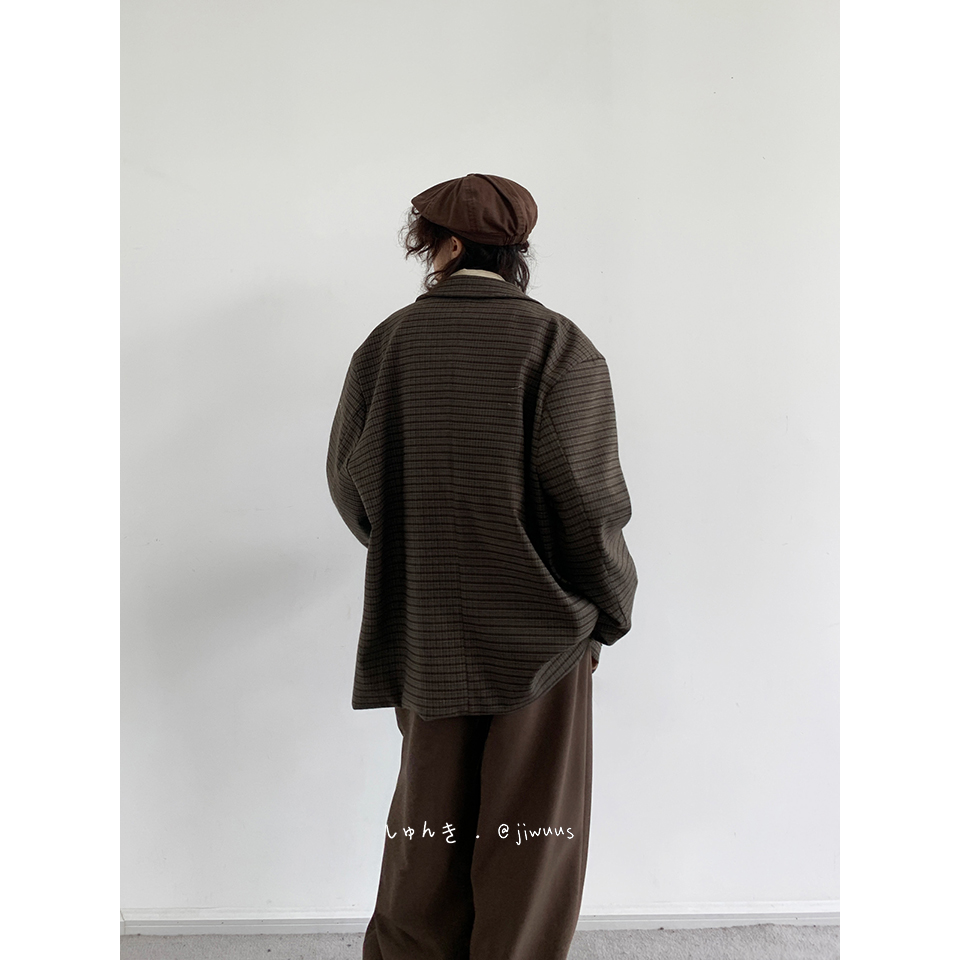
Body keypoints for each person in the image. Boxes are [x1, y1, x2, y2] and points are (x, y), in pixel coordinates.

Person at [327, 173, 637, 960]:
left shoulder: (387, 346)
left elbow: (348, 482)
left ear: (450, 244)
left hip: (427, 628)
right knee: (530, 840)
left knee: (425, 832)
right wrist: (606, 611)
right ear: (515, 252)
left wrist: (415, 552)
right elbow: (589, 503)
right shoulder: (557, 346)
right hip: (542, 638)